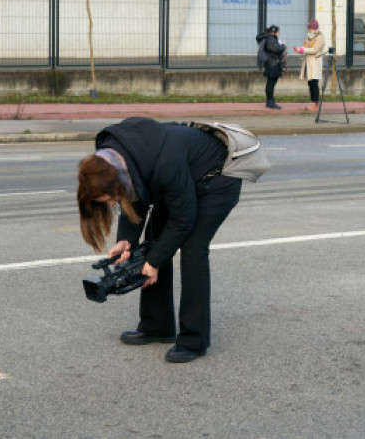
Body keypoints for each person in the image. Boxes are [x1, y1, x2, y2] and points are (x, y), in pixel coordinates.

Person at [77, 117, 242, 364]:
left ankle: (193, 341)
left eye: (111, 198)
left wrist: (154, 263)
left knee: (193, 249)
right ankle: (157, 326)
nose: (112, 204)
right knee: (154, 243)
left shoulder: (165, 164)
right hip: (180, 178)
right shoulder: (111, 158)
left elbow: (183, 219)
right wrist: (126, 240)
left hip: (216, 177)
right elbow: (136, 193)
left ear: (119, 181)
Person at [293, 19, 326, 112]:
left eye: (311, 28)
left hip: (315, 63)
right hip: (308, 62)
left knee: (314, 83)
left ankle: (315, 104)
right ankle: (312, 101)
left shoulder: (320, 37)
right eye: (308, 28)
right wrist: (299, 49)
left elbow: (315, 50)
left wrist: (302, 50)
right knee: (310, 83)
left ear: (315, 28)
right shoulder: (309, 37)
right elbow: (306, 47)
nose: (309, 29)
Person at [256, 24, 286, 109]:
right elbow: (277, 49)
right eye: (278, 31)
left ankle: (270, 101)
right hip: (273, 64)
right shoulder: (271, 39)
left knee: (271, 83)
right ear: (275, 32)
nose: (279, 33)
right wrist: (283, 45)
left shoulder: (268, 38)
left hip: (271, 63)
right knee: (271, 83)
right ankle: (270, 102)